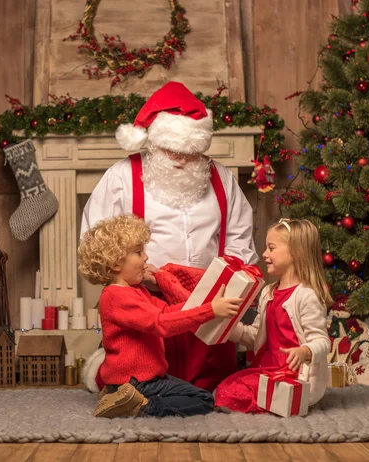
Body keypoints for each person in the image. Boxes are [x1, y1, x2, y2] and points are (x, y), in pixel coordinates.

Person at [80, 81, 259, 392]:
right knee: (147, 380)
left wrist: (223, 282)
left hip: (208, 301)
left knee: (214, 390)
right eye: (171, 150)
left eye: (189, 153)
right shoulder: (121, 177)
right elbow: (95, 241)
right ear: (153, 142)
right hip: (146, 301)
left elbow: (240, 240)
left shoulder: (223, 178)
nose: (179, 160)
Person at [78, 214, 243, 417]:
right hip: (136, 381)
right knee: (203, 399)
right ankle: (140, 405)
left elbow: (167, 312)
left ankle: (122, 398)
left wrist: (208, 306)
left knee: (198, 396)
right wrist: (210, 311)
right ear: (116, 264)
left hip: (146, 379)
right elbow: (161, 324)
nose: (146, 257)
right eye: (138, 252)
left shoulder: (135, 291)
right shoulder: (116, 296)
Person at [214, 218, 332, 413]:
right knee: (226, 386)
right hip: (268, 368)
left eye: (271, 248)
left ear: (295, 252)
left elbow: (322, 341)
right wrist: (225, 324)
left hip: (294, 376)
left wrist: (305, 351)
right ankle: (266, 400)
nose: (264, 254)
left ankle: (276, 401)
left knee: (232, 393)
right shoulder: (268, 293)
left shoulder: (307, 295)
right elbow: (254, 335)